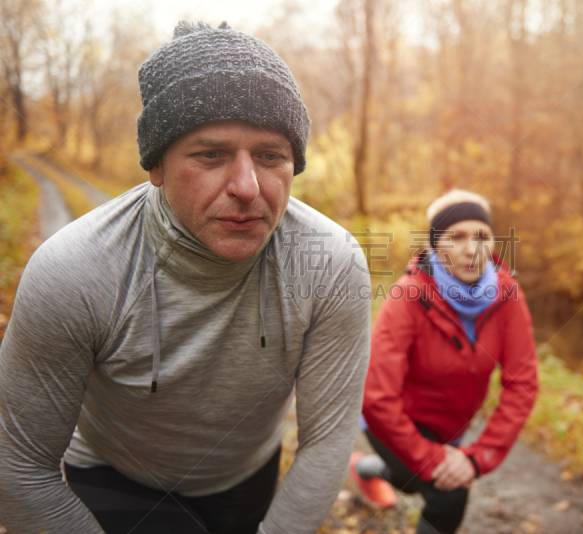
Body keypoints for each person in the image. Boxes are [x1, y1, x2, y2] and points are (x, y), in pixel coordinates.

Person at [0, 21, 370, 534]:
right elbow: (18, 466)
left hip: (247, 476)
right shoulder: (74, 271)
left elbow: (329, 438)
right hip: (116, 477)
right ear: (157, 165)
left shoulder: (332, 262)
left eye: (270, 156)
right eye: (211, 154)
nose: (246, 186)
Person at [349, 190, 539, 534]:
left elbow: (522, 384)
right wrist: (432, 458)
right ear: (436, 245)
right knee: (447, 496)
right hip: (392, 421)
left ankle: (363, 469)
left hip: (451, 428)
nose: (472, 249)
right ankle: (377, 466)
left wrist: (477, 456)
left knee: (408, 482)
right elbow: (376, 395)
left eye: (482, 236)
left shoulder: (508, 294)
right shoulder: (406, 297)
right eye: (457, 237)